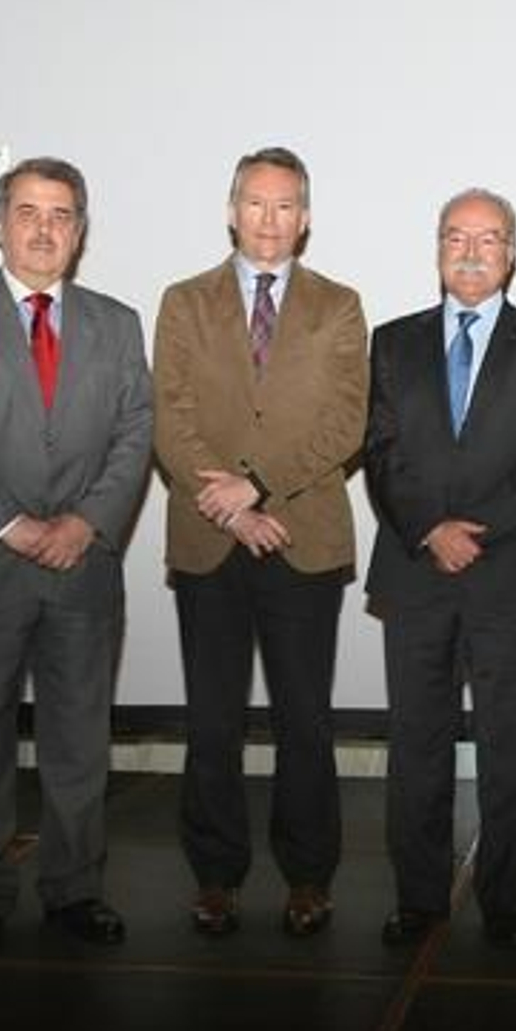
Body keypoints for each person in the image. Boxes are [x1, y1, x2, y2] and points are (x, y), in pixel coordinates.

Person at [0, 156, 153, 959]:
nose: (45, 229)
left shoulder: (118, 324)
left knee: (78, 741)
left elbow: (135, 434)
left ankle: (75, 890)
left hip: (84, 569)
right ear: (0, 223)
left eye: (62, 215)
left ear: (80, 232)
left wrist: (86, 523)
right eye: (28, 212)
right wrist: (10, 526)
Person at [153, 146, 367, 938]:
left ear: (305, 219)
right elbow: (168, 417)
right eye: (255, 203)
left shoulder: (340, 306)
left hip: (301, 538)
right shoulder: (183, 302)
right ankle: (215, 877)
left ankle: (309, 877)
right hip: (211, 539)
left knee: (304, 722)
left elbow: (347, 421)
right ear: (230, 209)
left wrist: (261, 486)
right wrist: (232, 508)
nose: (269, 220)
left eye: (286, 206)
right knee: (212, 721)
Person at [364, 188, 516, 951]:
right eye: (457, 236)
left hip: (510, 576)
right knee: (415, 746)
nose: (472, 251)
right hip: (416, 572)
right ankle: (418, 899)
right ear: (437, 249)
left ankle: (508, 906)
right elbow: (382, 454)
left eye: (490, 239)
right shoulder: (390, 343)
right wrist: (430, 529)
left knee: (510, 748)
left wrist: (472, 534)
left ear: (513, 252)